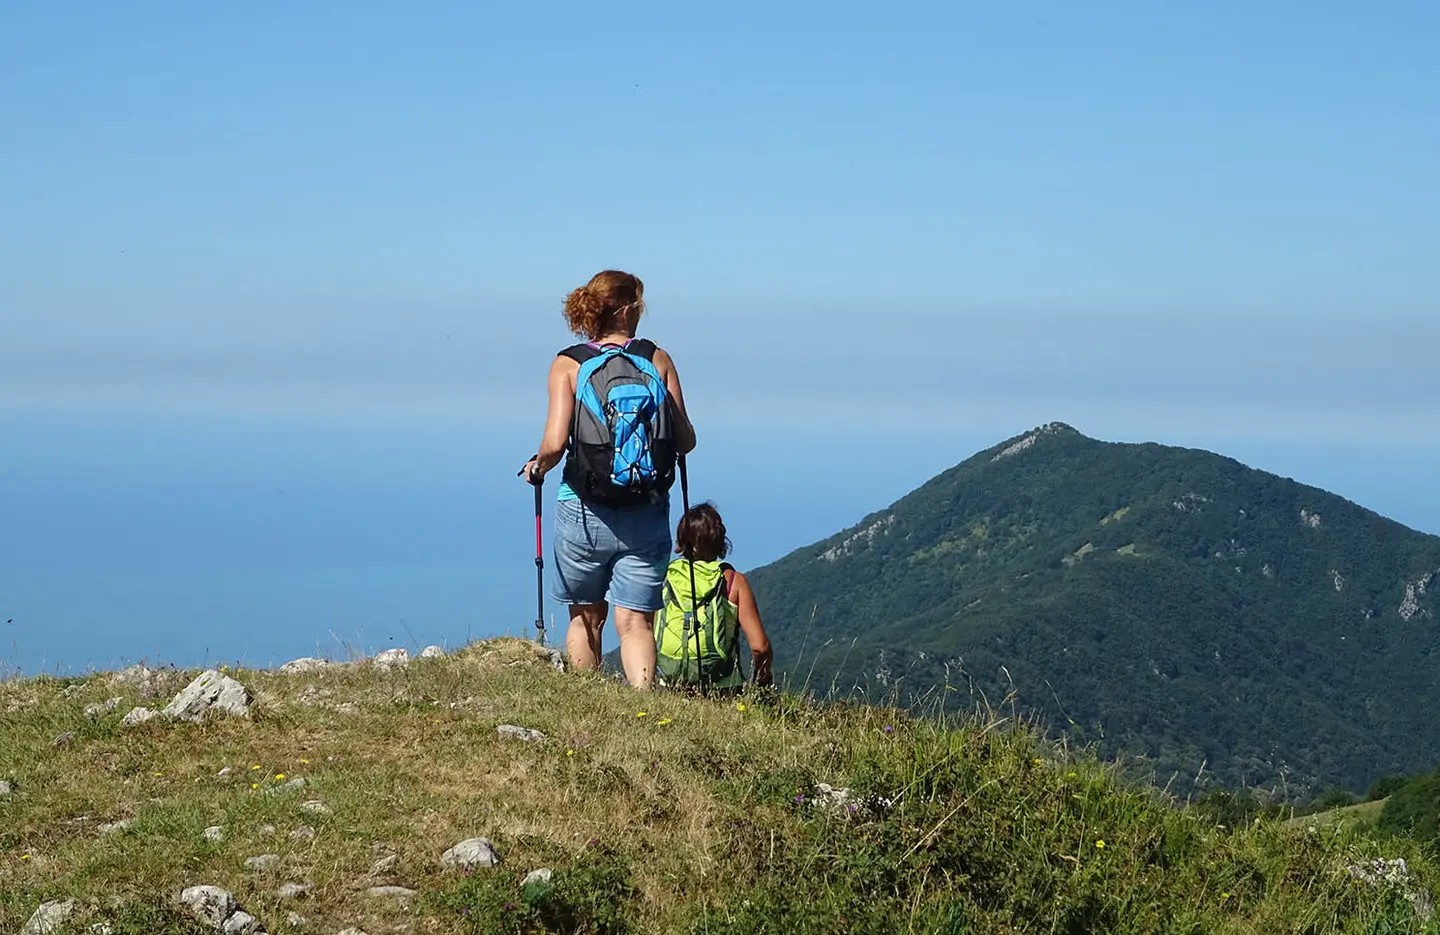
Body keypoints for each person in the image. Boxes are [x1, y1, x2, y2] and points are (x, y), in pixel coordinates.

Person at [522, 270, 696, 689]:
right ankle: (642, 708)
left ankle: (588, 705)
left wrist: (536, 468)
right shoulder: (657, 359)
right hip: (647, 510)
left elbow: (553, 443)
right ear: (627, 309)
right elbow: (686, 440)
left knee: (585, 615)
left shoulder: (568, 363)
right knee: (636, 623)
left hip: (583, 509)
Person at [656, 502, 774, 690]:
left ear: (682, 541)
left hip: (670, 684)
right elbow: (760, 647)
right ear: (720, 539)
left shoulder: (665, 577)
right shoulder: (733, 582)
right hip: (722, 687)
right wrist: (763, 682)